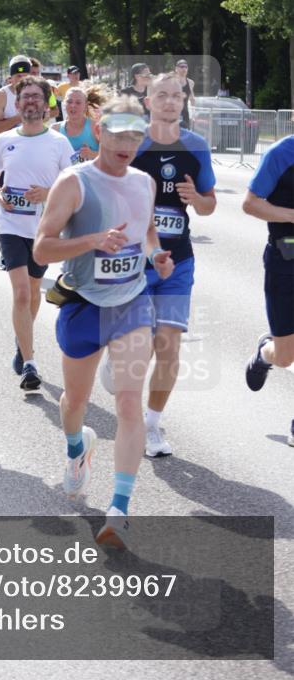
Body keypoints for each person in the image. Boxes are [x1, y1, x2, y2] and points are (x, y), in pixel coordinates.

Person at [33, 95, 173, 548]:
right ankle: (77, 450)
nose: (127, 143)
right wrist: (94, 240)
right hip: (83, 303)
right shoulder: (74, 183)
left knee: (129, 404)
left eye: (136, 135)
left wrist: (155, 255)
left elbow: (146, 228)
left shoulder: (145, 182)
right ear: (99, 131)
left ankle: (119, 509)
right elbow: (42, 249)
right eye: (118, 133)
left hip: (131, 302)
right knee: (74, 403)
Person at [126, 72, 216, 457]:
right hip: (134, 263)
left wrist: (196, 197)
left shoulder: (196, 146)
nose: (168, 102)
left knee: (168, 347)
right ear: (147, 101)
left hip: (178, 263)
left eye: (175, 96)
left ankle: (151, 425)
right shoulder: (131, 144)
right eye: (160, 95)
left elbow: (210, 205)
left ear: (183, 103)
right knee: (139, 347)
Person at [0, 75, 72, 391]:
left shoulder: (58, 143)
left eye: (37, 96)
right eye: (26, 97)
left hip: (43, 229)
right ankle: (30, 362)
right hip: (10, 225)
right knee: (22, 292)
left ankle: (21, 341)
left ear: (47, 103)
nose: (31, 101)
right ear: (18, 103)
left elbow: (72, 184)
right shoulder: (7, 140)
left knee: (34, 291)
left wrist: (47, 193)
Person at [243, 134, 294, 446]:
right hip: (285, 260)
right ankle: (266, 353)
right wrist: (291, 215)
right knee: (286, 357)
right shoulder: (282, 152)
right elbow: (250, 203)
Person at [52, 88, 100, 163]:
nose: (73, 105)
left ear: (86, 105)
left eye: (78, 103)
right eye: (69, 102)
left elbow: (112, 157)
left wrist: (93, 154)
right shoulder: (55, 129)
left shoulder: (95, 127)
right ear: (64, 104)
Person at [0, 55, 32, 136]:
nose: (21, 79)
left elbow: (50, 114)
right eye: (18, 76)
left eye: (25, 76)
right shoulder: (2, 94)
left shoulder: (37, 92)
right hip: (9, 143)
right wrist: (19, 118)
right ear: (11, 77)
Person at [174, 59, 195, 128]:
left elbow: (192, 99)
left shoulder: (190, 82)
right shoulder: (172, 82)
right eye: (182, 67)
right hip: (173, 112)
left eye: (186, 67)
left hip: (185, 113)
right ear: (176, 69)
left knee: (185, 135)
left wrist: (193, 114)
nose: (184, 69)